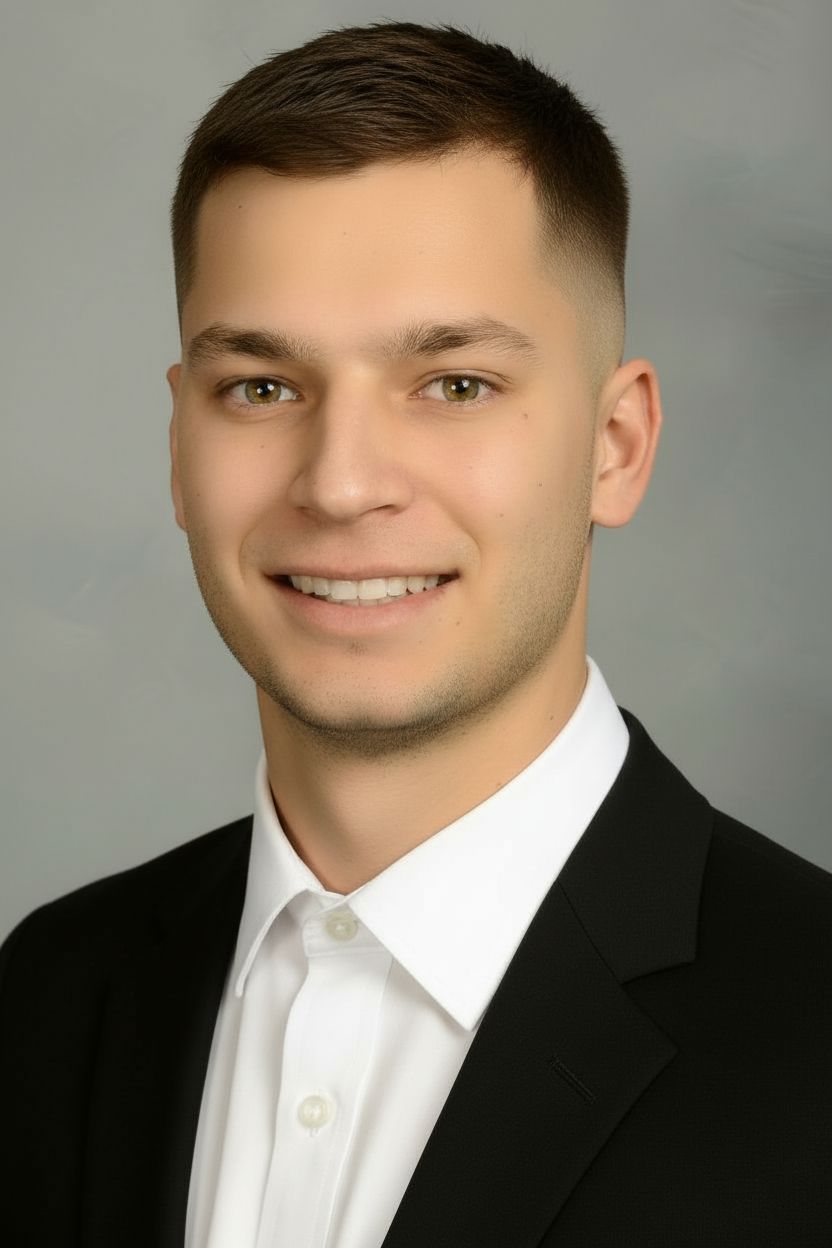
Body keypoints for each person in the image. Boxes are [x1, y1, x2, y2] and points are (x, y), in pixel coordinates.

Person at [1, 18, 831, 1248]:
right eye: (261, 387)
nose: (341, 485)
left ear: (615, 447)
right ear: (180, 448)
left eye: (454, 385)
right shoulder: (48, 994)